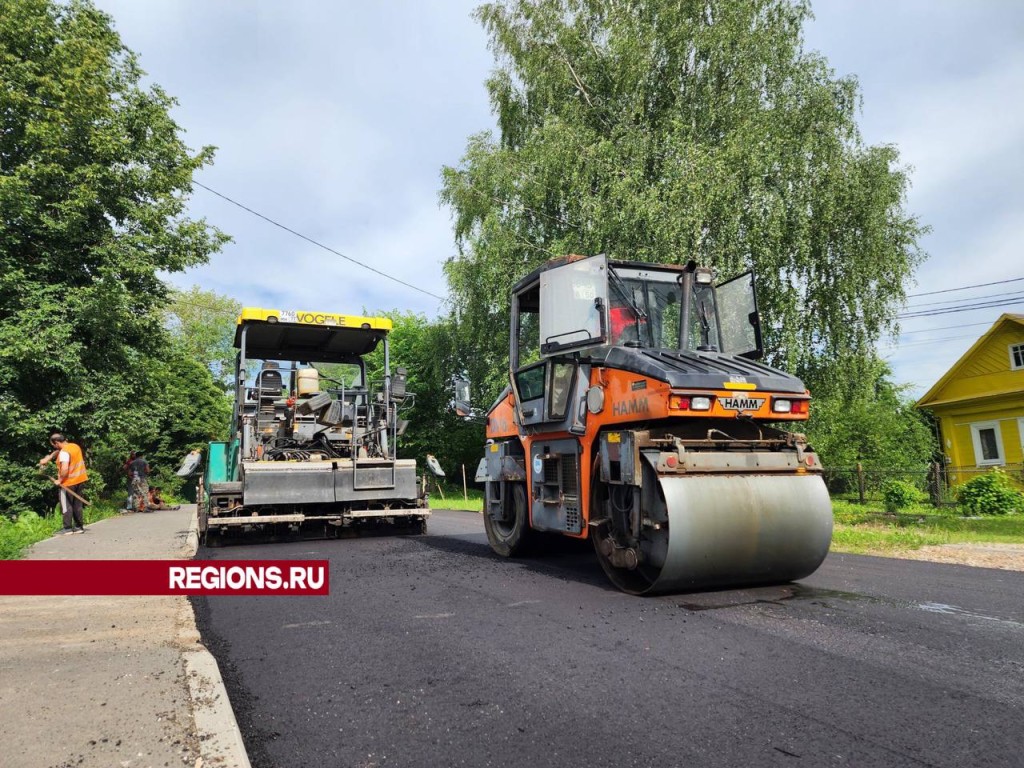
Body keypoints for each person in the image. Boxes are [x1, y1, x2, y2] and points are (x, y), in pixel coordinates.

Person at [39, 433, 88, 535]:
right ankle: (79, 527)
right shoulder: (74, 446)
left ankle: (67, 528)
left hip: (68, 483)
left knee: (66, 505)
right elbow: (58, 451)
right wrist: (48, 458)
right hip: (80, 480)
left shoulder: (64, 453)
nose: (54, 447)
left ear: (57, 442)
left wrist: (60, 480)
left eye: (53, 445)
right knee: (77, 505)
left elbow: (65, 468)